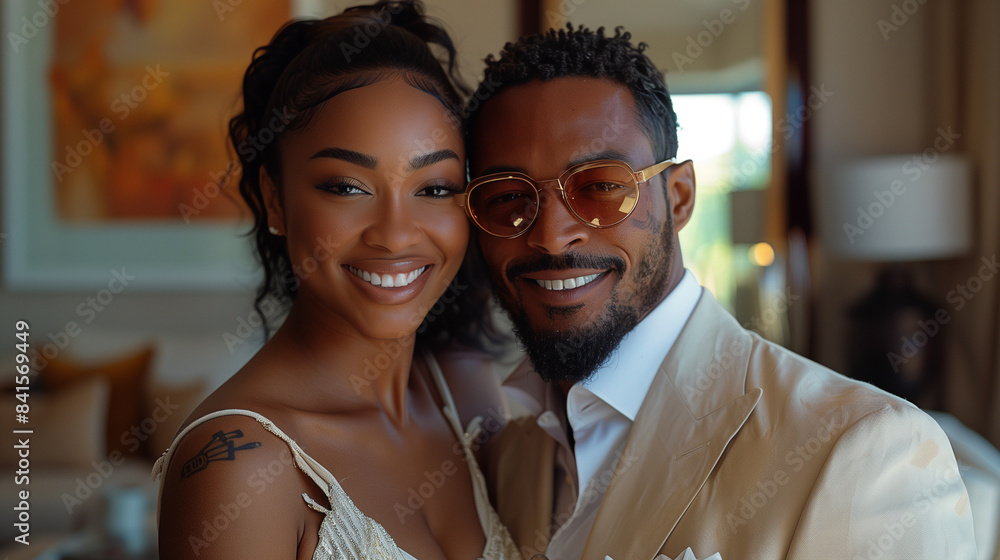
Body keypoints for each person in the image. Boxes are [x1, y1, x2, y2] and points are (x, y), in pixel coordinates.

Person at [461, 24, 979, 560]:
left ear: (680, 196)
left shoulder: (866, 452)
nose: (549, 235)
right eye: (506, 196)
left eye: (600, 186)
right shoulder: (501, 453)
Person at [152, 3, 521, 559]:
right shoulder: (241, 468)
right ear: (275, 198)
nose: (396, 236)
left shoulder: (466, 395)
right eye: (347, 187)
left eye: (435, 187)